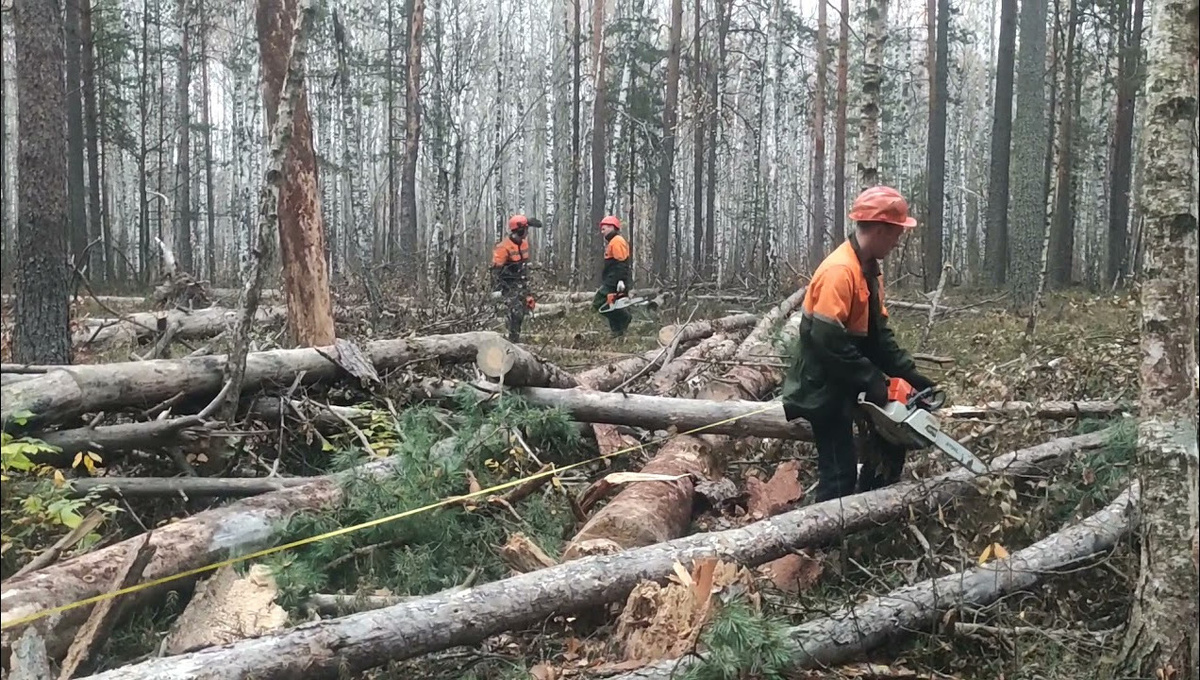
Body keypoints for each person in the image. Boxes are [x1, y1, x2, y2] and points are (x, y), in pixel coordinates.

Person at [779, 185, 937, 502]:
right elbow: (827, 341)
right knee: (839, 474)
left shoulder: (869, 271)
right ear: (879, 229)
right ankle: (818, 542)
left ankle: (869, 517)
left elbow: (878, 337)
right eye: (895, 234)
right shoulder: (840, 271)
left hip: (847, 378)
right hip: (821, 385)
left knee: (888, 446)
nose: (897, 242)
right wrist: (872, 379)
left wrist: (910, 376)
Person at [491, 214, 541, 342]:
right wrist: (496, 289)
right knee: (515, 312)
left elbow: (524, 268)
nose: (527, 232)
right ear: (519, 230)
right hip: (507, 283)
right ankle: (512, 341)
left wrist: (527, 291)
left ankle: (515, 339)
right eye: (525, 229)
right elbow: (496, 270)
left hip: (520, 282)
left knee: (523, 311)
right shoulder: (503, 247)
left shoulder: (523, 244)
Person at [592, 215, 633, 337]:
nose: (602, 231)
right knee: (611, 305)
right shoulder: (613, 242)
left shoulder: (617, 241)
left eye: (604, 228)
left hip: (614, 281)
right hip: (612, 279)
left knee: (599, 303)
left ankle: (625, 318)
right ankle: (617, 333)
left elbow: (621, 263)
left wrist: (620, 280)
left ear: (611, 227)